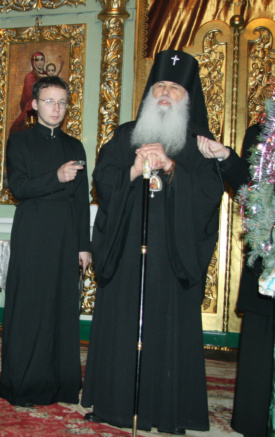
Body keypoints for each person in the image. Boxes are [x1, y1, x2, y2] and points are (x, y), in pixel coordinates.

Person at [82, 49, 224, 434]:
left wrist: (172, 168)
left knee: (167, 328)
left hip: (172, 257)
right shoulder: (126, 134)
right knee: (122, 323)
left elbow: (211, 193)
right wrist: (132, 169)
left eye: (174, 88)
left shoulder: (199, 143)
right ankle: (113, 405)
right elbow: (102, 179)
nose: (164, 93)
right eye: (159, 85)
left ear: (187, 97)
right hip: (128, 249)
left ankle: (166, 412)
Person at [0, 76, 91, 407]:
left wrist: (83, 245)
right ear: (34, 104)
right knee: (31, 307)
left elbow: (81, 199)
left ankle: (62, 384)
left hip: (65, 234)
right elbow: (19, 188)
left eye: (62, 102)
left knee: (62, 308)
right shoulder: (20, 141)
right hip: (33, 231)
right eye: (49, 101)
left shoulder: (74, 146)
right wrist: (56, 177)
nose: (56, 108)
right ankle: (23, 385)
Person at [197, 125, 273, 437]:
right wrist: (226, 156)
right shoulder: (262, 131)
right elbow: (248, 187)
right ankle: (255, 420)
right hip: (268, 252)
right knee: (262, 334)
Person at [9, 51, 48, 134]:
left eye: (42, 60)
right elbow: (27, 95)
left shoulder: (47, 75)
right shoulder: (30, 77)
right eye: (37, 60)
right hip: (32, 108)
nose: (40, 62)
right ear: (33, 62)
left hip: (46, 107)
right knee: (17, 128)